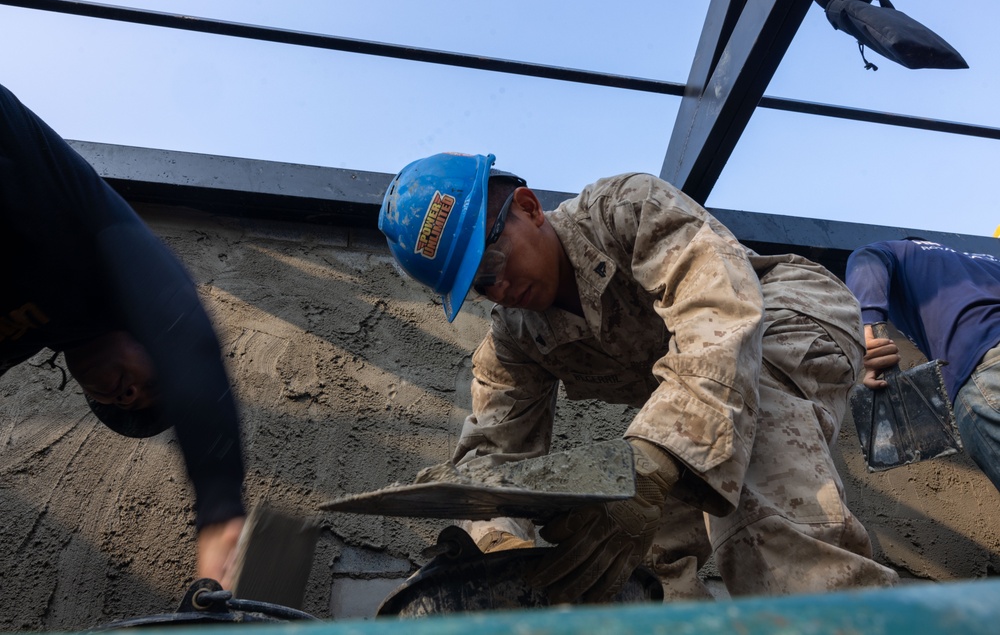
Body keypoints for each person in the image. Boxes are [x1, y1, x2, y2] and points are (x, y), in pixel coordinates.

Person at [377, 152, 898, 603]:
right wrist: (495, 550)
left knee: (753, 482)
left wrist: (651, 462)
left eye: (492, 260)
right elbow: (493, 457)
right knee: (631, 552)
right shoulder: (514, 339)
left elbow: (719, 316)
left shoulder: (626, 209)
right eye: (479, 284)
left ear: (529, 208)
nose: (501, 287)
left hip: (784, 316)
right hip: (699, 391)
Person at [0, 82, 245, 586]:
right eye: (151, 385)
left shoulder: (21, 334)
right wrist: (220, 514)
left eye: (125, 403)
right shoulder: (97, 250)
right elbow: (186, 333)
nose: (128, 392)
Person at [845, 238, 1000, 492]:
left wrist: (871, 332)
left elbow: (866, 257)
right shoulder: (990, 262)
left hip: (985, 362)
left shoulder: (900, 250)